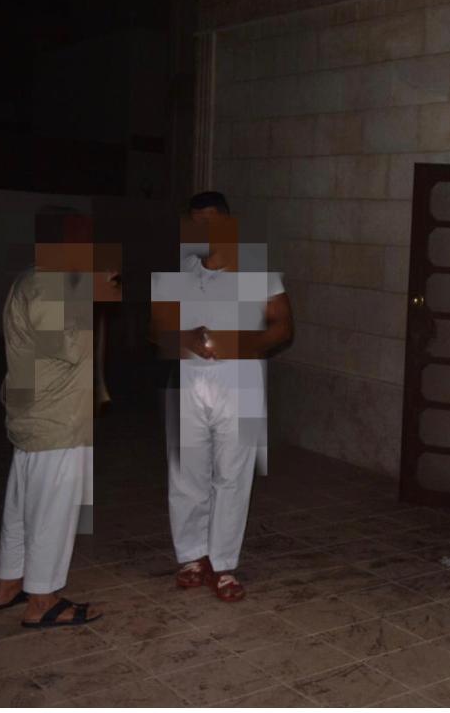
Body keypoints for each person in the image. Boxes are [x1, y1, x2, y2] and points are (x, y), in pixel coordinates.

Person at [150, 191, 293, 601]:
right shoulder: (179, 271)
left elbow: (283, 326)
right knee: (186, 471)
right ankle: (192, 556)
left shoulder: (256, 269)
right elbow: (154, 329)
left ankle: (224, 564)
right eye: (197, 223)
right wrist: (184, 336)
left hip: (241, 383)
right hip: (188, 382)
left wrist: (240, 343)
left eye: (212, 222)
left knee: (232, 475)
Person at [0, 210, 120, 628]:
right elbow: (70, 348)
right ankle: (42, 600)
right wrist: (95, 293)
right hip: (57, 420)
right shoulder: (50, 287)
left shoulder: (31, 279)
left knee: (22, 503)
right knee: (53, 511)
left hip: (34, 415)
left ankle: (10, 583)